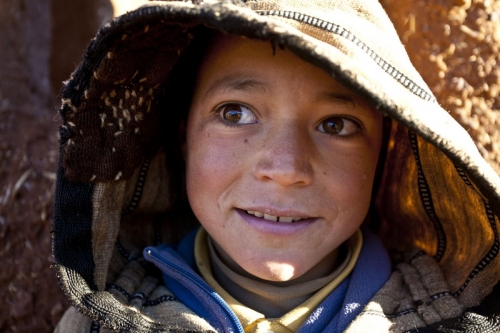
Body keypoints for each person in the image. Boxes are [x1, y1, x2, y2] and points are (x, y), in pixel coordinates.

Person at [52, 0, 500, 332]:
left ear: (386, 157)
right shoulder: (98, 324)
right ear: (182, 138)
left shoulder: (453, 323)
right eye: (235, 114)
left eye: (335, 124)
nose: (286, 168)